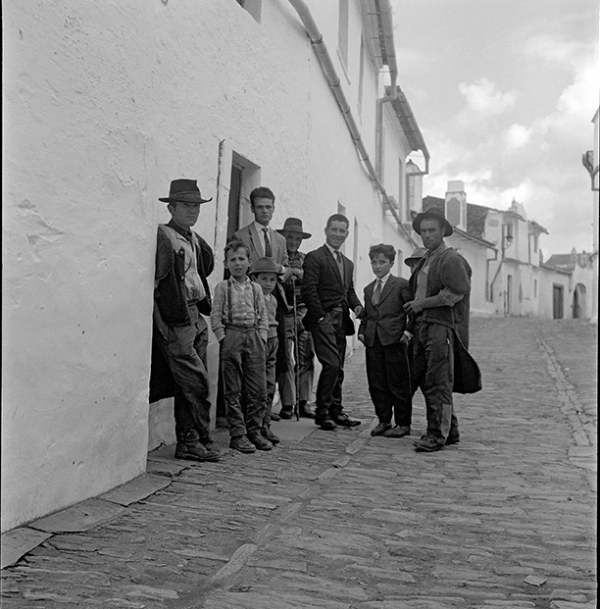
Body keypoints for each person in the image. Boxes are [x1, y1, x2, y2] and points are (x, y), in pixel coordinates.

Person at [153, 179, 220, 462]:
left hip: (196, 315)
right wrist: (164, 324)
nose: (192, 211)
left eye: (196, 206)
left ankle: (189, 441)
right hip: (177, 319)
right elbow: (156, 284)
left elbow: (206, 264)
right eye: (186, 206)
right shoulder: (164, 237)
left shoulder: (191, 237)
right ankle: (197, 437)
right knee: (195, 382)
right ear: (171, 207)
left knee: (191, 383)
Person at [404, 207, 471, 452]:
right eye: (423, 231)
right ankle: (450, 429)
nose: (427, 235)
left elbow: (455, 293)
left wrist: (422, 303)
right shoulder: (427, 258)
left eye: (432, 230)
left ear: (443, 231)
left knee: (438, 381)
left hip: (441, 327)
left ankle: (436, 435)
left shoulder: (449, 258)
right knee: (427, 378)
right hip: (424, 326)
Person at [302, 214, 364, 430]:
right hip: (323, 319)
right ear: (327, 231)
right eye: (334, 230)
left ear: (346, 234)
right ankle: (322, 412)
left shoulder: (347, 263)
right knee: (331, 363)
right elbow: (308, 290)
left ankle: (336, 411)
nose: (338, 234)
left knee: (338, 367)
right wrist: (320, 317)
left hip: (342, 320)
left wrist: (357, 306)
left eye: (342, 231)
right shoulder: (315, 257)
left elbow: (349, 291)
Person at [210, 241, 272, 453]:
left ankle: (254, 431)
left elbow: (263, 315)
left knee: (259, 389)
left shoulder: (256, 288)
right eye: (233, 260)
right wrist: (223, 338)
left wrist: (262, 337)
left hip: (253, 336)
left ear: (249, 262)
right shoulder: (222, 288)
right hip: (232, 336)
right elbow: (216, 315)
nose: (238, 263)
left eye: (242, 259)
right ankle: (238, 434)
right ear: (226, 264)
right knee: (233, 389)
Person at [358, 244, 414, 438]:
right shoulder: (368, 289)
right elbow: (367, 315)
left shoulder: (401, 285)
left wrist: (407, 333)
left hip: (394, 340)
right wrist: (362, 331)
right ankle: (383, 420)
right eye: (374, 262)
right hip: (373, 341)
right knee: (377, 382)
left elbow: (412, 311)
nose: (378, 266)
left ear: (391, 263)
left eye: (382, 262)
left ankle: (403, 423)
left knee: (398, 382)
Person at [276, 218, 316, 419]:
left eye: (297, 238)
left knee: (306, 355)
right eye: (289, 237)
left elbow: (312, 281)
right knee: (285, 357)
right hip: (284, 312)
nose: (293, 241)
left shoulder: (307, 260)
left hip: (304, 312)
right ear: (283, 238)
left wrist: (299, 274)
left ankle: (303, 402)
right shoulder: (277, 259)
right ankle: (287, 403)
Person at [248, 257, 283, 445]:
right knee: (258, 387)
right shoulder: (253, 297)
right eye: (264, 279)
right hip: (258, 341)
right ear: (254, 279)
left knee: (270, 385)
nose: (268, 284)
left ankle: (265, 424)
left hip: (273, 340)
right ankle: (253, 426)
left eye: (272, 280)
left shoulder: (274, 300)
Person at [232, 187, 291, 281]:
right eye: (260, 207)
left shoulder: (280, 239)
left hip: (274, 293)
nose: (264, 211)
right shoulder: (241, 237)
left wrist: (279, 269)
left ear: (273, 209)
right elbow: (236, 269)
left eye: (268, 207)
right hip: (249, 291)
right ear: (252, 209)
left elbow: (287, 271)